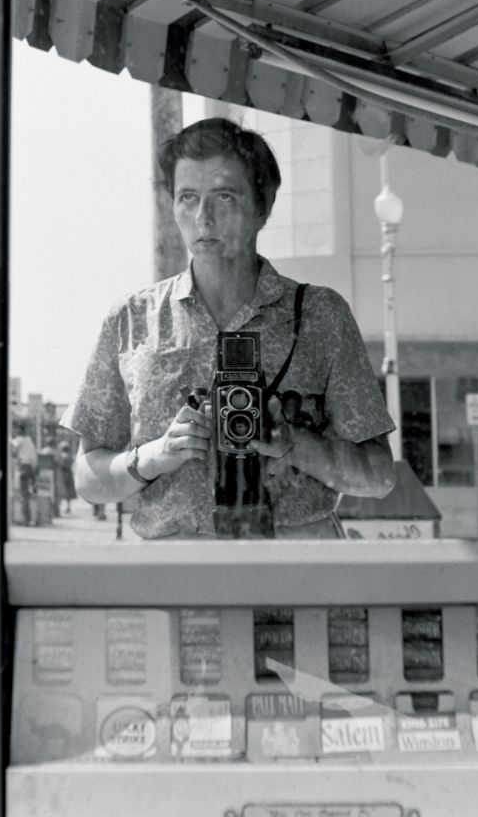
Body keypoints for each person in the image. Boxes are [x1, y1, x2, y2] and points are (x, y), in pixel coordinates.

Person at [66, 117, 395, 539]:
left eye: (223, 196)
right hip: (179, 571)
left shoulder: (318, 315)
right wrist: (155, 456)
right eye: (187, 197)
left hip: (298, 564)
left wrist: (294, 444)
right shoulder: (131, 320)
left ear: (263, 206)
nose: (203, 217)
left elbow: (379, 476)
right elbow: (87, 479)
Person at [55, 440, 77, 515]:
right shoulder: (70, 455)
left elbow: (61, 464)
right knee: (68, 491)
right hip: (69, 474)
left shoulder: (63, 455)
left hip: (63, 474)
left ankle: (59, 507)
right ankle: (68, 506)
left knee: (62, 491)